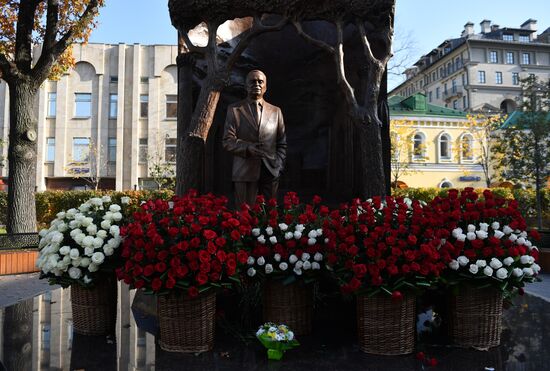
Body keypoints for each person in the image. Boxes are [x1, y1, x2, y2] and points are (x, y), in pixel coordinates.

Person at [222, 70, 287, 207]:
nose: (256, 84)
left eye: (260, 81)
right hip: (244, 172)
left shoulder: (276, 111)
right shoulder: (234, 110)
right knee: (244, 217)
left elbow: (281, 143)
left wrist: (278, 166)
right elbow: (227, 140)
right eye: (252, 81)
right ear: (246, 86)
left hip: (270, 172)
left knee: (269, 218)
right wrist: (247, 147)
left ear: (265, 87)